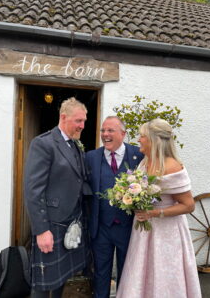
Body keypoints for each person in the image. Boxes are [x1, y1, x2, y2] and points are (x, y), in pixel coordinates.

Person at [116, 118, 202, 298]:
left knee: (163, 275)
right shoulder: (144, 162)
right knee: (141, 272)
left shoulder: (172, 166)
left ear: (154, 139)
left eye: (142, 136)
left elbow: (189, 205)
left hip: (167, 235)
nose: (138, 139)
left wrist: (155, 213)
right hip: (143, 231)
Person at [24, 97, 92, 298]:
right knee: (43, 281)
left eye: (84, 121)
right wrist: (42, 230)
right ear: (64, 117)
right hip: (52, 224)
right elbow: (33, 190)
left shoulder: (75, 144)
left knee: (62, 276)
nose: (82, 125)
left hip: (72, 221)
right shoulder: (43, 143)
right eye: (78, 121)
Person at [86, 116, 143, 298]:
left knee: (128, 274)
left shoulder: (138, 155)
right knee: (101, 274)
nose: (105, 134)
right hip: (101, 228)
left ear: (123, 134)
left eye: (110, 130)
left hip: (129, 228)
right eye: (103, 130)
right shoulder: (91, 157)